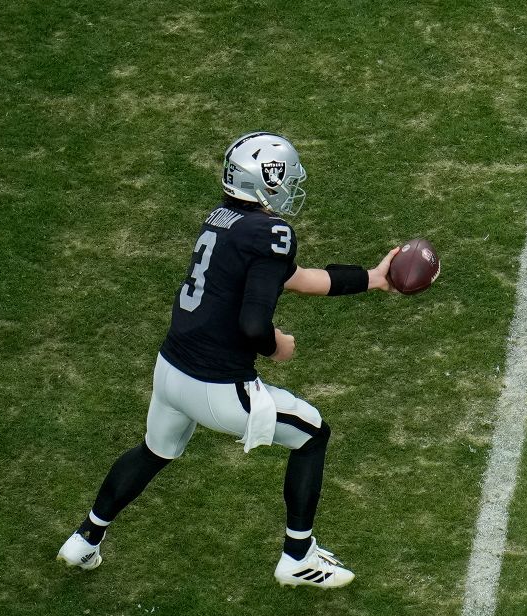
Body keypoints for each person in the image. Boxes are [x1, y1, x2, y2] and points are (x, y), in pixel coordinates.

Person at [58, 132, 399, 588]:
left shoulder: (222, 220)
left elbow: (294, 278)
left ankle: (85, 540)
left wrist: (373, 279)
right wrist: (276, 344)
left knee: (154, 451)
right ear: (266, 179)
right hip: (217, 387)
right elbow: (253, 326)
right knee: (313, 433)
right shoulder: (272, 233)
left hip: (171, 370)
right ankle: (298, 557)